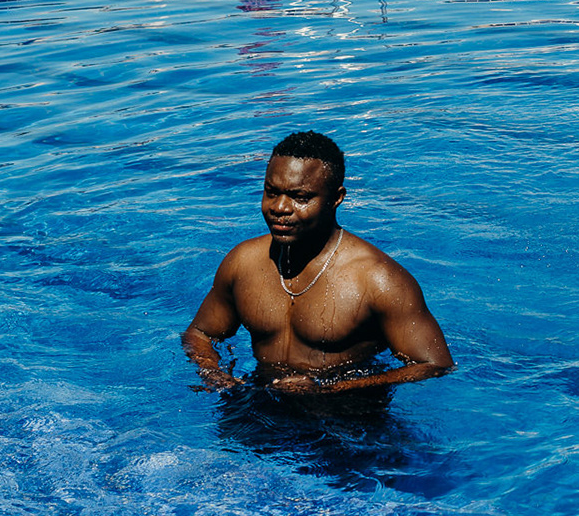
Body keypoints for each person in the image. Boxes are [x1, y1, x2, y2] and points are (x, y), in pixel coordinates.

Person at [182, 131, 453, 394]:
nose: (280, 208)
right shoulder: (243, 263)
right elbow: (200, 333)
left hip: (347, 415)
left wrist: (329, 390)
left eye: (300, 198)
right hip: (259, 402)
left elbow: (434, 365)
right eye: (271, 192)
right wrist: (213, 372)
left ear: (336, 198)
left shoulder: (378, 280)